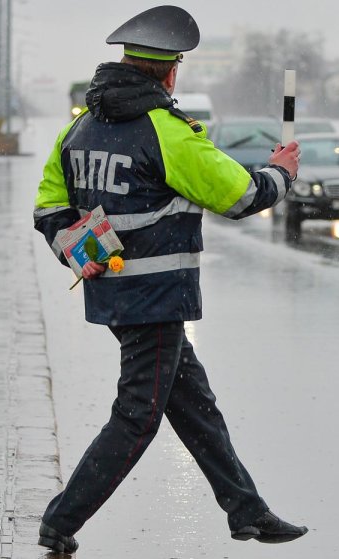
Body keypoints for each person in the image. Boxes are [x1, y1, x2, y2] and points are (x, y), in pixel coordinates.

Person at [32, 6, 307, 553]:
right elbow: (241, 196)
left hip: (115, 293)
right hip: (155, 298)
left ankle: (248, 512)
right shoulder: (167, 132)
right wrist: (282, 171)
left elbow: (48, 207)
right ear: (170, 72)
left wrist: (77, 250)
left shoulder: (78, 129)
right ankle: (60, 522)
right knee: (137, 417)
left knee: (195, 406)